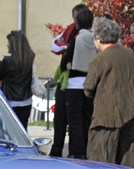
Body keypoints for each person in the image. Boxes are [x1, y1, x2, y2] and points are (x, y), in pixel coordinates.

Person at [84, 16, 134, 168]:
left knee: (102, 161)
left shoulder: (99, 60)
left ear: (98, 39)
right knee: (130, 164)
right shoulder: (130, 54)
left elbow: (88, 88)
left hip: (106, 117)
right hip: (133, 113)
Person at [50, 4, 88, 157]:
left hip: (71, 80)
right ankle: (65, 150)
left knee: (73, 121)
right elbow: (54, 45)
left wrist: (66, 49)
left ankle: (74, 151)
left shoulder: (80, 35)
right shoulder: (71, 30)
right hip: (78, 80)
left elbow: (63, 54)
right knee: (71, 119)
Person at [61, 6, 96, 158]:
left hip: (75, 82)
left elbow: (66, 59)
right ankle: (88, 149)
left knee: (75, 120)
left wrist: (66, 66)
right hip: (90, 81)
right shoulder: (95, 38)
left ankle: (77, 151)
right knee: (88, 118)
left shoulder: (78, 38)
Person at [0, 31, 36, 128]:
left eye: (8, 42)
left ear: (13, 44)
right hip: (26, 100)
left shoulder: (7, 61)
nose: (7, 45)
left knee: (10, 130)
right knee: (23, 129)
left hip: (11, 100)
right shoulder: (29, 58)